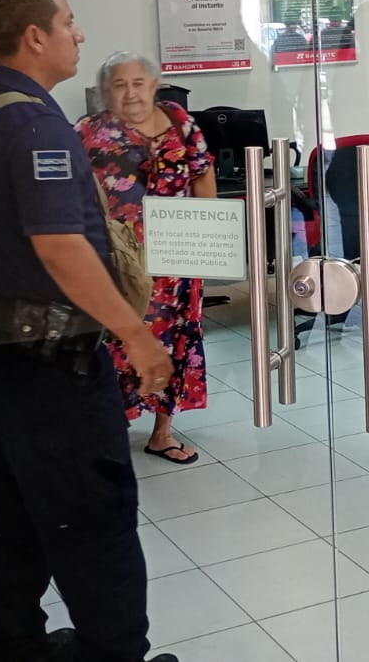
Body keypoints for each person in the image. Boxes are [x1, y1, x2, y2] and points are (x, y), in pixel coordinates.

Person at [0, 0, 176, 662]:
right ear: (35, 36)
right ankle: (116, 654)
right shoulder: (35, 122)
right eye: (68, 21)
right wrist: (136, 335)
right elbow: (60, 245)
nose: (79, 33)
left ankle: (11, 644)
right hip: (51, 359)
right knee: (95, 515)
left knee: (13, 509)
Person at [80, 51, 215, 464]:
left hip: (176, 253)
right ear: (106, 92)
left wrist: (206, 232)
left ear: (154, 86)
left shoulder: (179, 120)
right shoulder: (88, 131)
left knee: (178, 340)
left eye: (138, 83)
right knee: (118, 342)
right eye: (119, 85)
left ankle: (162, 432)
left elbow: (202, 172)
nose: (130, 93)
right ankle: (108, 429)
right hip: (121, 258)